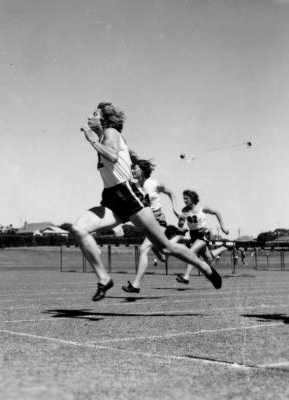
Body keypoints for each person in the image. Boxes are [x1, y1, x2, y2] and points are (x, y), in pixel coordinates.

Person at [71, 102, 222, 301]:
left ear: (104, 120)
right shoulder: (103, 137)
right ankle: (104, 279)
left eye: (94, 114)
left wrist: (91, 139)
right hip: (110, 197)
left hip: (128, 195)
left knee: (166, 247)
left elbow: (114, 157)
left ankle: (205, 267)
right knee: (79, 229)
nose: (89, 116)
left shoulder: (110, 132)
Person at [122, 156, 180, 294]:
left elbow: (170, 192)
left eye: (135, 168)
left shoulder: (154, 183)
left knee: (143, 249)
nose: (132, 170)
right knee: (163, 257)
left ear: (142, 170)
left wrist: (175, 209)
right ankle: (177, 238)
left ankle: (135, 285)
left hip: (158, 220)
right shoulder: (134, 186)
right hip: (145, 221)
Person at [174, 190, 229, 284]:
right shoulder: (184, 210)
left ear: (192, 199)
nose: (184, 200)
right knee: (208, 257)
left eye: (186, 198)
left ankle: (186, 277)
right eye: (184, 198)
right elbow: (180, 225)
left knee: (191, 251)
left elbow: (217, 212)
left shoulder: (202, 208)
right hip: (193, 235)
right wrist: (181, 219)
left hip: (203, 233)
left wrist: (223, 226)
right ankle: (223, 248)